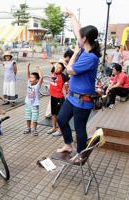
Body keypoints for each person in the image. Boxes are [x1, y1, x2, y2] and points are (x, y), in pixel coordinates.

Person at [57, 9, 101, 163]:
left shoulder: (90, 57)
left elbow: (69, 70)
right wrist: (72, 16)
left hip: (83, 100)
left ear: (85, 39)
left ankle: (81, 154)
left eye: (79, 38)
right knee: (62, 120)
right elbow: (78, 31)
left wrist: (75, 53)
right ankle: (68, 145)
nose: (77, 39)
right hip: (72, 97)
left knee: (80, 129)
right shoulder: (85, 47)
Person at [45, 49, 74, 118]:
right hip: (57, 85)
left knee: (54, 100)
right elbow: (53, 71)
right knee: (54, 100)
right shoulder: (61, 63)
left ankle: (50, 113)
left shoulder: (62, 63)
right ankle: (50, 113)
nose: (71, 60)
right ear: (68, 57)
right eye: (71, 58)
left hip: (58, 84)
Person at [46, 60, 69, 137]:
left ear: (62, 70)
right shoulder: (53, 71)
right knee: (53, 113)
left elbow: (70, 78)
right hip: (53, 97)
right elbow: (52, 63)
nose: (57, 68)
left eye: (59, 68)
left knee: (59, 115)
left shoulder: (63, 76)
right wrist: (56, 63)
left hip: (59, 98)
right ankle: (54, 128)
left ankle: (60, 130)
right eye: (57, 67)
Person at [24, 64, 43, 136]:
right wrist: (27, 67)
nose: (30, 79)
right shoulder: (28, 84)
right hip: (28, 104)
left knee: (34, 118)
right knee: (28, 117)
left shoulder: (37, 86)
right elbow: (27, 75)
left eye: (32, 78)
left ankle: (34, 129)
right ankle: (28, 128)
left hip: (35, 105)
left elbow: (41, 78)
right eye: (30, 77)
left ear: (36, 80)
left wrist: (38, 69)